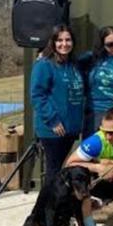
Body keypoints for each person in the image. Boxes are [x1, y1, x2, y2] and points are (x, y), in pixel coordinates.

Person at [30, 24, 85, 184]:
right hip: (53, 130)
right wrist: (52, 119)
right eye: (59, 40)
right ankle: (44, 208)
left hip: (70, 128)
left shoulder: (74, 64)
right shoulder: (44, 65)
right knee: (53, 172)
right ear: (52, 42)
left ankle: (57, 206)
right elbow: (37, 95)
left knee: (62, 170)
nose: (64, 44)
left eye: (68, 40)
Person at [78, 25, 113, 138]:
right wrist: (45, 56)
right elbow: (67, 62)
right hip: (95, 113)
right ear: (102, 45)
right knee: (93, 151)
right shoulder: (91, 58)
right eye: (110, 44)